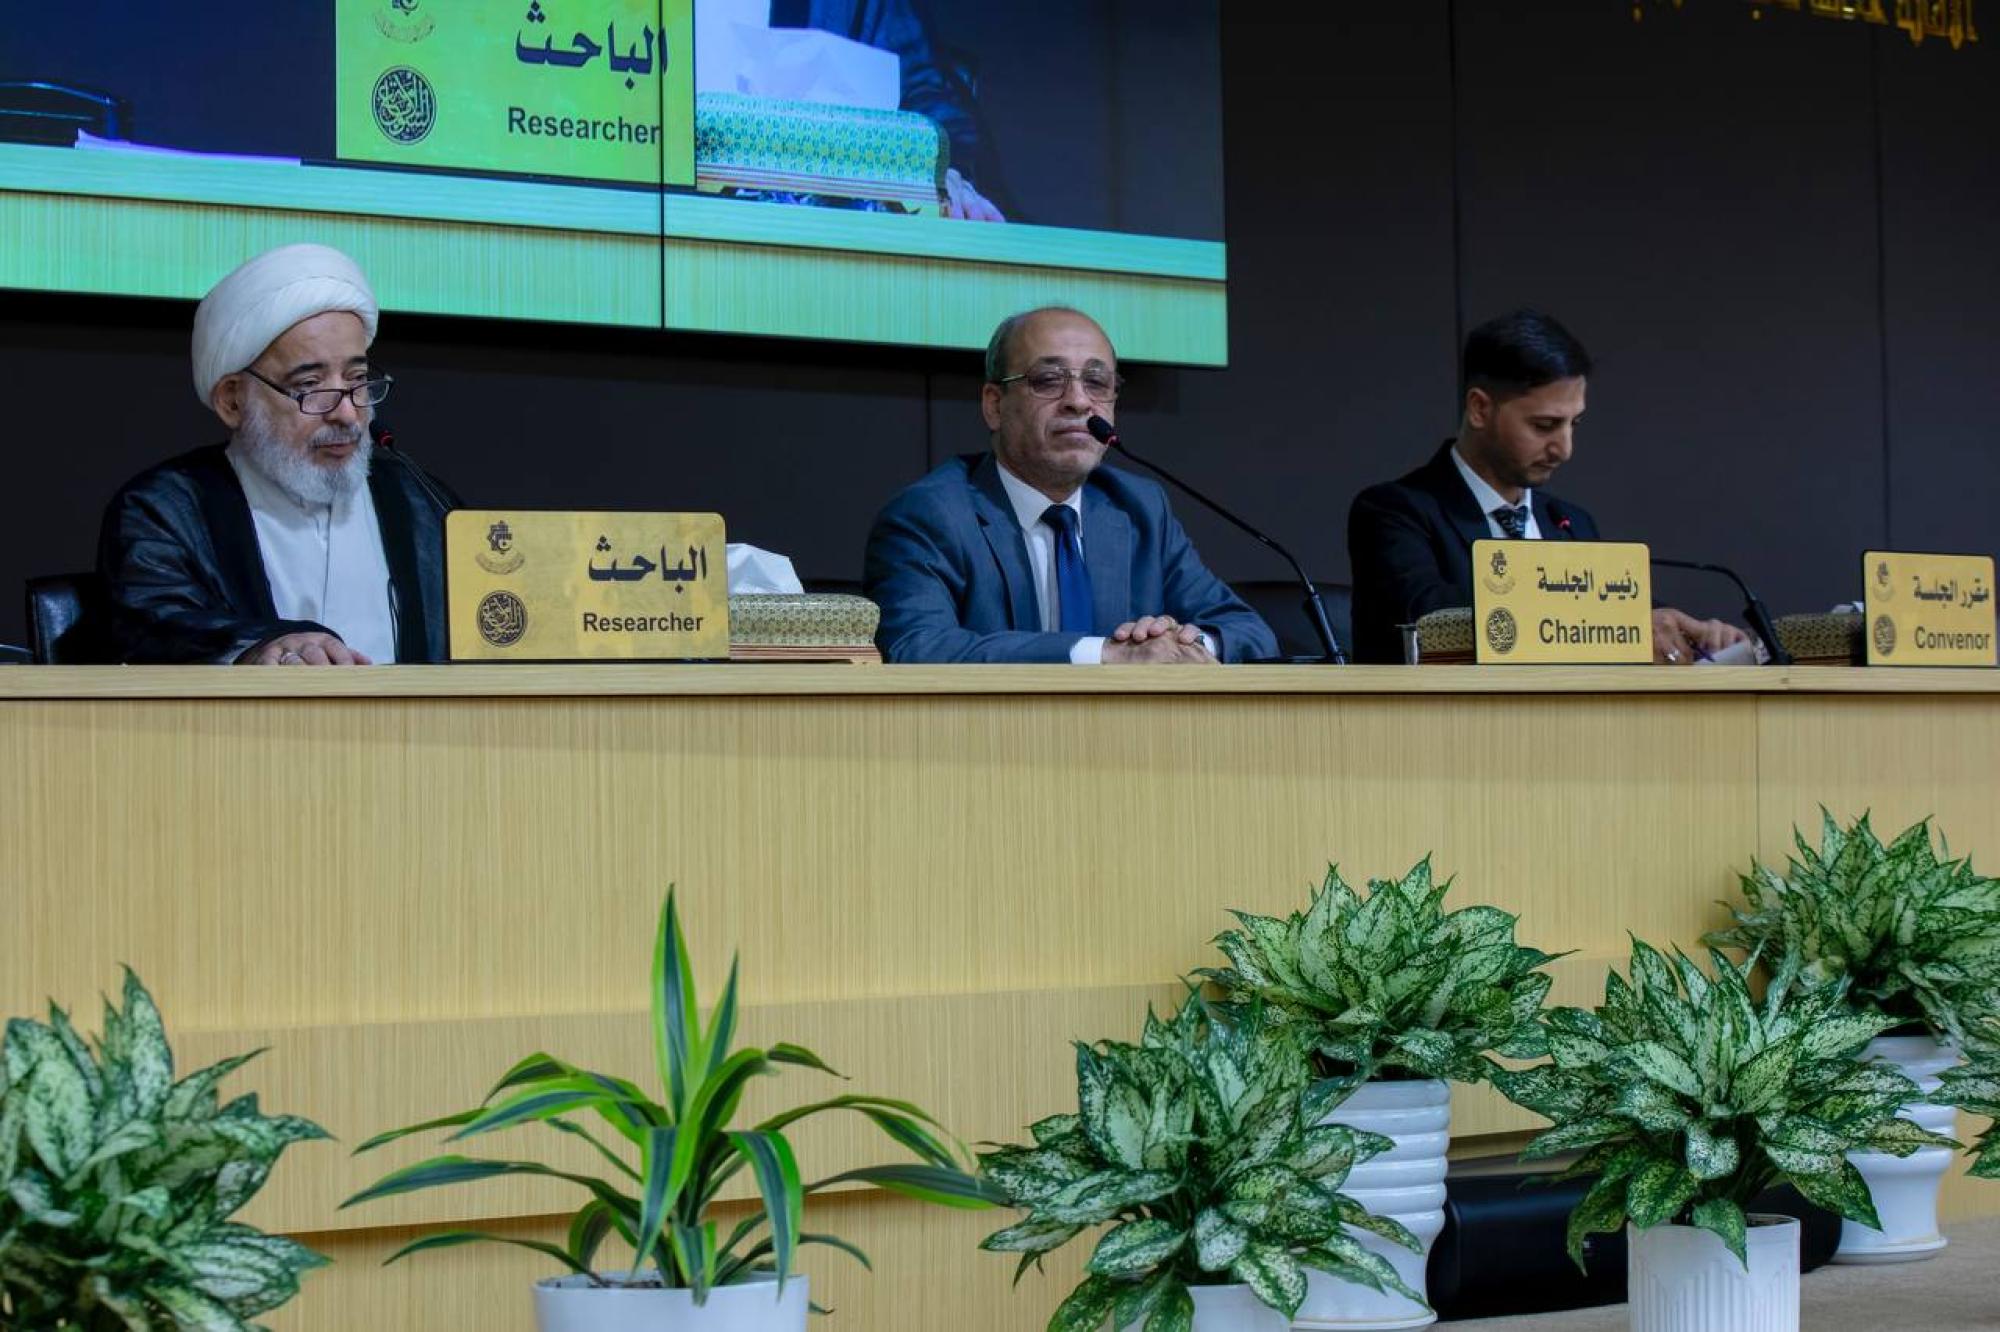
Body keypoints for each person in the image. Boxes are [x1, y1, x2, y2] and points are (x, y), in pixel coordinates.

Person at [97, 243, 455, 665]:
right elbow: (154, 626)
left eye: (357, 379)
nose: (347, 413)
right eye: (309, 386)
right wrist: (259, 647)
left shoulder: (420, 502)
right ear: (232, 401)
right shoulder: (166, 509)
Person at [864, 306, 1277, 663]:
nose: (1079, 401)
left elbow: (1249, 633)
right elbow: (916, 646)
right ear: (995, 405)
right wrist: (1105, 655)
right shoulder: (930, 515)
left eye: (1096, 383)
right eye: (1048, 379)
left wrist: (1185, 645)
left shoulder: (1139, 508)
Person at [1346, 309, 1747, 665]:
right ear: (1480, 408)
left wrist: (1689, 634)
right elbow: (1430, 619)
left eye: (1575, 424)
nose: (1564, 449)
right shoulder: (1395, 511)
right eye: (1544, 426)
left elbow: (1626, 612)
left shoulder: (1571, 523)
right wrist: (1617, 622)